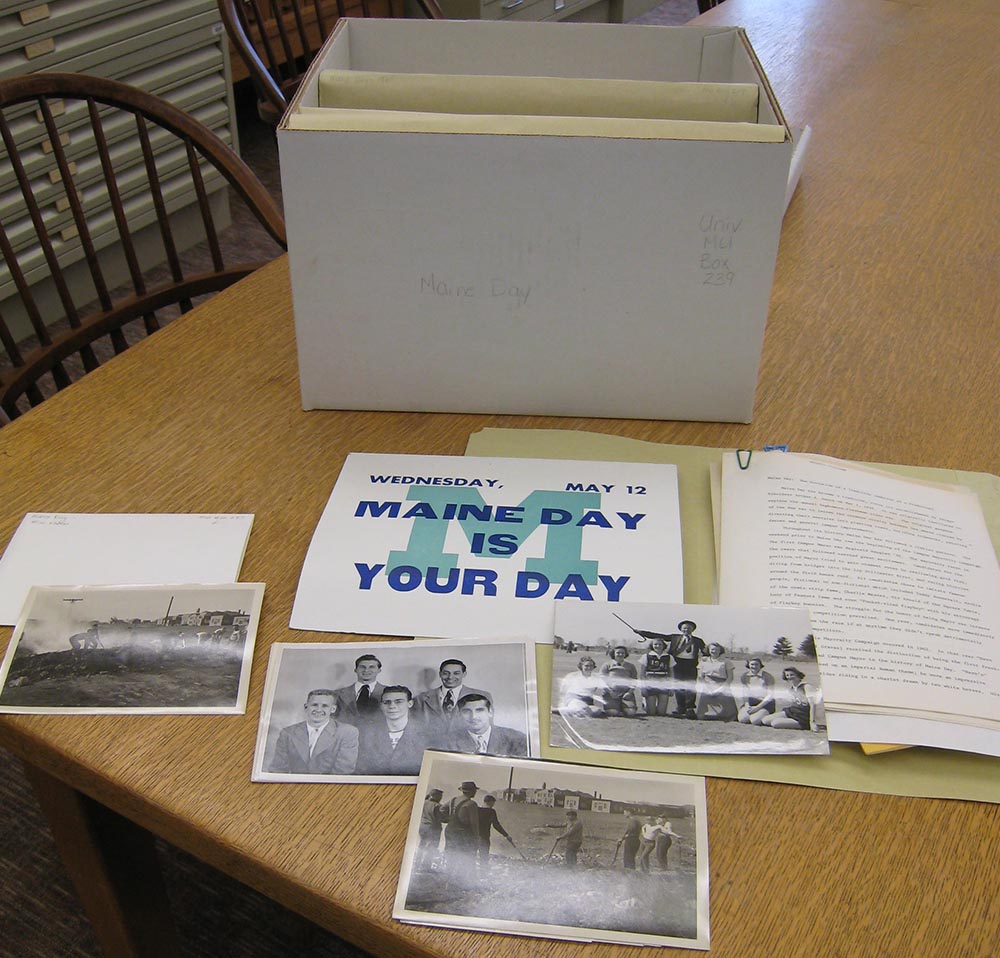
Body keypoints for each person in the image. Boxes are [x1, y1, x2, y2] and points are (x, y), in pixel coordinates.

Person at [269, 689, 359, 775]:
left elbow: (343, 770)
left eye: (325, 706)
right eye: (314, 705)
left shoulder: (347, 733)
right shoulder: (287, 733)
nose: (318, 710)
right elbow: (278, 769)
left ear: (333, 709)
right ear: (306, 707)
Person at [635, 620, 708, 718]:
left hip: (691, 665)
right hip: (676, 663)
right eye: (684, 628)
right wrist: (642, 632)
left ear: (693, 630)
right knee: (678, 686)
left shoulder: (698, 640)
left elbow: (705, 651)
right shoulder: (674, 637)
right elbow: (658, 635)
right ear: (681, 629)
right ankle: (680, 707)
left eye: (689, 628)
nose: (686, 630)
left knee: (691, 686)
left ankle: (690, 708)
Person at [355, 686, 429, 775]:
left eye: (398, 702)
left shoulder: (425, 734)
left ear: (410, 704)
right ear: (381, 705)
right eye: (387, 702)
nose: (392, 706)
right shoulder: (367, 734)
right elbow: (361, 769)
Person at [412, 659, 491, 734]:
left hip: (467, 745)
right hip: (432, 745)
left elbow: (489, 727)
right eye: (446, 673)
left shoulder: (483, 696)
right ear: (440, 674)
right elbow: (416, 728)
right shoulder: (421, 699)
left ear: (464, 674)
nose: (450, 677)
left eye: (456, 673)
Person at [445, 693, 527, 757]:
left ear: (490, 712)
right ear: (459, 715)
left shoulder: (516, 739)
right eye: (466, 711)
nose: (473, 717)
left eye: (479, 710)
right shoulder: (449, 742)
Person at [762, 666, 825, 731]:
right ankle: (788, 721)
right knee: (765, 720)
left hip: (803, 716)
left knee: (775, 723)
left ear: (798, 675)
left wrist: (812, 722)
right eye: (787, 675)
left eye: (792, 675)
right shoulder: (792, 689)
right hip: (793, 711)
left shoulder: (806, 687)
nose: (789, 677)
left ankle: (804, 725)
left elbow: (813, 705)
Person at [333, 653, 385, 727]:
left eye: (371, 667)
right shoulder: (338, 694)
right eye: (362, 667)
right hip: (346, 736)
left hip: (377, 736)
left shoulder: (388, 693)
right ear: (355, 670)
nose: (366, 670)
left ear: (379, 670)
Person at [444, 781, 481, 877]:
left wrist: (447, 818)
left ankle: (447, 877)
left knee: (451, 854)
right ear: (472, 791)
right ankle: (460, 879)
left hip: (450, 830)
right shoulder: (471, 804)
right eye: (474, 790)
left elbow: (442, 809)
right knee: (465, 856)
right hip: (462, 833)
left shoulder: (453, 800)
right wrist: (476, 838)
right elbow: (474, 823)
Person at [694, 642, 737, 721]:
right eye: (712, 649)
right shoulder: (703, 660)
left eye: (717, 650)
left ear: (720, 650)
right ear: (709, 650)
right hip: (707, 687)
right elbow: (700, 676)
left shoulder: (726, 661)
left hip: (722, 687)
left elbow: (730, 677)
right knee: (701, 716)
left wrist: (721, 689)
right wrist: (706, 688)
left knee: (729, 717)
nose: (714, 651)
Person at [599, 646, 639, 717]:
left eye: (622, 653)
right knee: (612, 712)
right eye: (618, 653)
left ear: (625, 654)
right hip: (611, 694)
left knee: (631, 713)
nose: (620, 654)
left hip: (626, 694)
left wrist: (629, 692)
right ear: (613, 654)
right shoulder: (607, 665)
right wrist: (610, 692)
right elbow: (601, 681)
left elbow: (634, 681)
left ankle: (624, 706)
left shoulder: (631, 666)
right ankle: (617, 707)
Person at [476, 795, 514, 868]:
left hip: (474, 836)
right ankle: (483, 872)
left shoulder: (477, 810)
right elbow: (496, 825)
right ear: (490, 802)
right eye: (493, 803)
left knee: (471, 855)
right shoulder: (491, 811)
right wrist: (506, 835)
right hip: (484, 837)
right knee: (484, 857)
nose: (493, 805)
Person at [639, 638, 673, 716]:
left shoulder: (669, 657)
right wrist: (643, 687)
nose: (658, 646)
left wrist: (672, 687)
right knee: (651, 713)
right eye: (655, 644)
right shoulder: (646, 656)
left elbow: (672, 673)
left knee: (661, 713)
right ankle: (645, 702)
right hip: (650, 681)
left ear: (663, 645)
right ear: (652, 646)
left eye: (660, 644)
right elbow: (642, 673)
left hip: (663, 682)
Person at [738, 657, 776, 724]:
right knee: (743, 719)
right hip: (750, 703)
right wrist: (747, 706)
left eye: (756, 664)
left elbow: (770, 695)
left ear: (760, 665)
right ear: (748, 665)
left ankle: (766, 715)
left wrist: (757, 708)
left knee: (755, 720)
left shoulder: (768, 676)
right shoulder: (744, 676)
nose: (754, 666)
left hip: (764, 704)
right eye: (752, 664)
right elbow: (745, 693)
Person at [416, 788, 447, 870]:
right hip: (433, 828)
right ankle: (425, 866)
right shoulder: (437, 806)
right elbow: (442, 819)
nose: (441, 798)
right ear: (436, 796)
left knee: (421, 845)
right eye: (440, 796)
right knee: (431, 847)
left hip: (422, 826)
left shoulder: (424, 802)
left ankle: (416, 863)